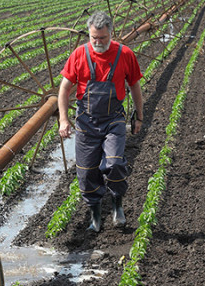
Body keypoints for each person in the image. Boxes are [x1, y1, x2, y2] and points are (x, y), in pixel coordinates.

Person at [58, 11, 144, 232]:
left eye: (102, 38)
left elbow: (134, 86)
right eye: (93, 38)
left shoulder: (124, 54)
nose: (97, 42)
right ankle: (95, 215)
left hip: (113, 120)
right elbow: (64, 89)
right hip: (86, 122)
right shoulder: (79, 55)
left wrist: (139, 116)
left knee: (114, 164)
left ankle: (117, 204)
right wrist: (64, 119)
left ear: (111, 34)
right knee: (86, 172)